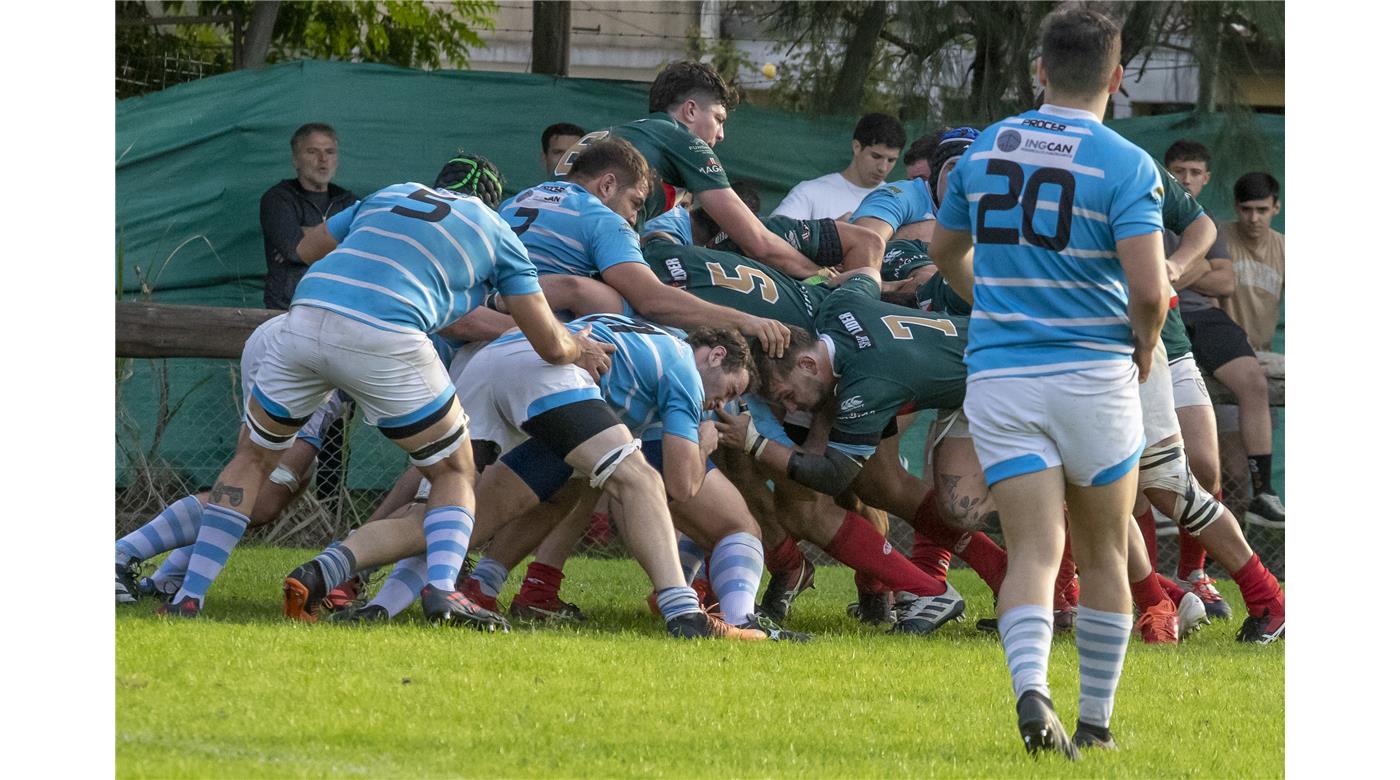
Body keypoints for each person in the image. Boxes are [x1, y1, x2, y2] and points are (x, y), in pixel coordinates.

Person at [157, 156, 613, 621]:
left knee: (252, 460)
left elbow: (309, 247)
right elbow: (552, 347)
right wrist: (579, 345)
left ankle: (189, 596)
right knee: (455, 471)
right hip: (386, 337)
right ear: (492, 200)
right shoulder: (496, 231)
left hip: (304, 319)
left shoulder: (392, 192)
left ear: (439, 182)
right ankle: (441, 591)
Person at [928, 7, 1169, 757]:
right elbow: (1153, 293)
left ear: (1040, 70)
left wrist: (998, 308)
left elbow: (944, 253)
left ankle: (1031, 689)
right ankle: (1094, 725)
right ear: (1118, 77)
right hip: (1092, 376)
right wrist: (1147, 345)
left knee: (1033, 549)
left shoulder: (986, 148)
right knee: (1102, 555)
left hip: (1002, 377)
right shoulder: (1126, 163)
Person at [555, 61, 828, 279]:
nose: (721, 135)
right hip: (575, 265)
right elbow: (757, 242)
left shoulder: (627, 131)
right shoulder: (682, 141)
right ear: (690, 110)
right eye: (719, 119)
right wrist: (820, 275)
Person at [1168, 143, 1284, 529]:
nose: (1185, 179)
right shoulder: (1144, 214)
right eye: (1178, 170)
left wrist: (1178, 269)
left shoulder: (1206, 222)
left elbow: (1226, 282)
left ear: (1206, 177)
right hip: (1160, 315)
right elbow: (1148, 283)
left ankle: (1264, 492)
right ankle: (1160, 497)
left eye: (1194, 171)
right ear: (1163, 173)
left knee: (1253, 380)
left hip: (1204, 317)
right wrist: (1199, 263)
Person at [1219, 172, 1286, 527]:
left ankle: (1236, 550)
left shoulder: (1284, 248)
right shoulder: (1220, 237)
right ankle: (1225, 550)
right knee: (1232, 470)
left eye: (1262, 209)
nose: (1254, 218)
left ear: (1276, 207)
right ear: (1236, 208)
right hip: (1224, 361)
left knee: (1244, 470)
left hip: (1262, 362)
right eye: (1246, 210)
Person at [260, 123, 357, 311]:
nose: (323, 159)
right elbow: (294, 250)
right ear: (295, 160)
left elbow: (362, 249)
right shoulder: (278, 199)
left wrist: (307, 234)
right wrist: (341, 238)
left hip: (338, 306)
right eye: (313, 152)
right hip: (288, 307)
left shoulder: (349, 202)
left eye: (330, 152)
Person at [771, 113, 906, 220]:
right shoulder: (810, 192)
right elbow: (776, 238)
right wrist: (831, 234)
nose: (883, 168)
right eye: (876, 156)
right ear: (857, 147)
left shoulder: (899, 203)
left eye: (891, 160)